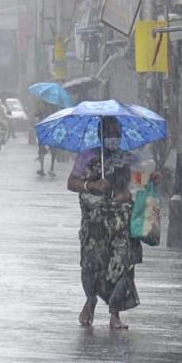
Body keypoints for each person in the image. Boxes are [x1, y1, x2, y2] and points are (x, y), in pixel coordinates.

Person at [66, 116, 148, 330]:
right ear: (101, 135)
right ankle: (90, 300)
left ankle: (115, 314)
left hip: (120, 223)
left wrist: (147, 182)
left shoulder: (126, 158)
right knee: (92, 265)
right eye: (110, 134)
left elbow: (139, 182)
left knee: (122, 264)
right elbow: (71, 183)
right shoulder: (88, 156)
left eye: (117, 134)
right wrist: (90, 184)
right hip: (94, 225)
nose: (114, 138)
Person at [34, 99, 57, 176]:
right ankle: (51, 168)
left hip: (44, 128)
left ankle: (43, 168)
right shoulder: (54, 105)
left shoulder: (40, 104)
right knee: (52, 149)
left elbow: (36, 115)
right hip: (51, 128)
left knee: (42, 149)